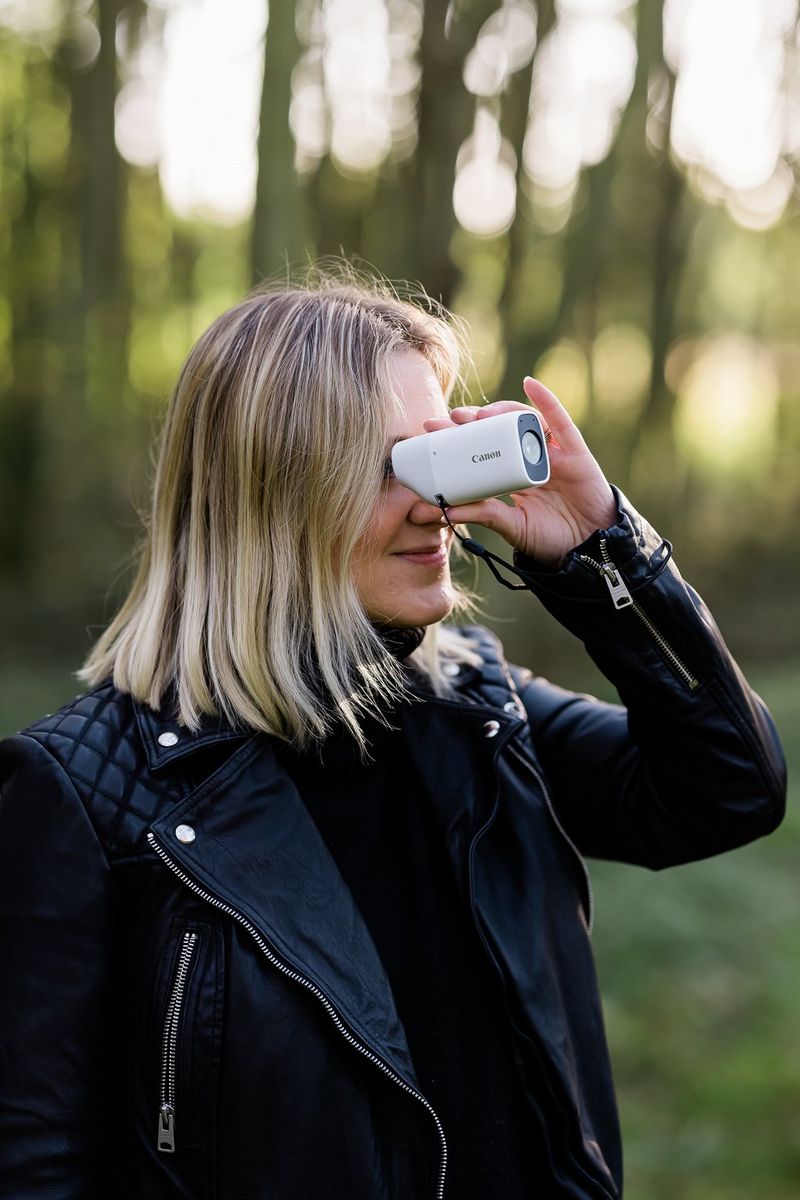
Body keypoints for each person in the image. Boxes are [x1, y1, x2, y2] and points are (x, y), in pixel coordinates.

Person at [0, 270, 786, 1200]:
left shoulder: (478, 709)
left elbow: (727, 788)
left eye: (440, 454)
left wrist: (606, 552)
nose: (437, 504)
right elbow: (35, 1168)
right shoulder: (85, 793)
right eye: (388, 467)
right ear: (271, 494)